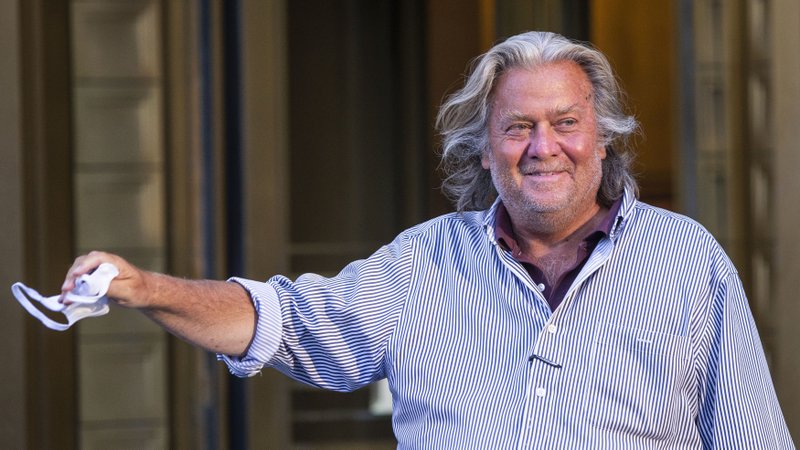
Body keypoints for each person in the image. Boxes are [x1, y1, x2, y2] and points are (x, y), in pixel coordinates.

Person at [62, 31, 794, 448]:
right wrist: (143, 288)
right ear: (485, 149)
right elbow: (282, 322)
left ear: (601, 138)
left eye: (566, 123)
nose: (544, 147)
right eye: (518, 127)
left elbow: (752, 438)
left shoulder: (687, 260)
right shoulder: (422, 262)